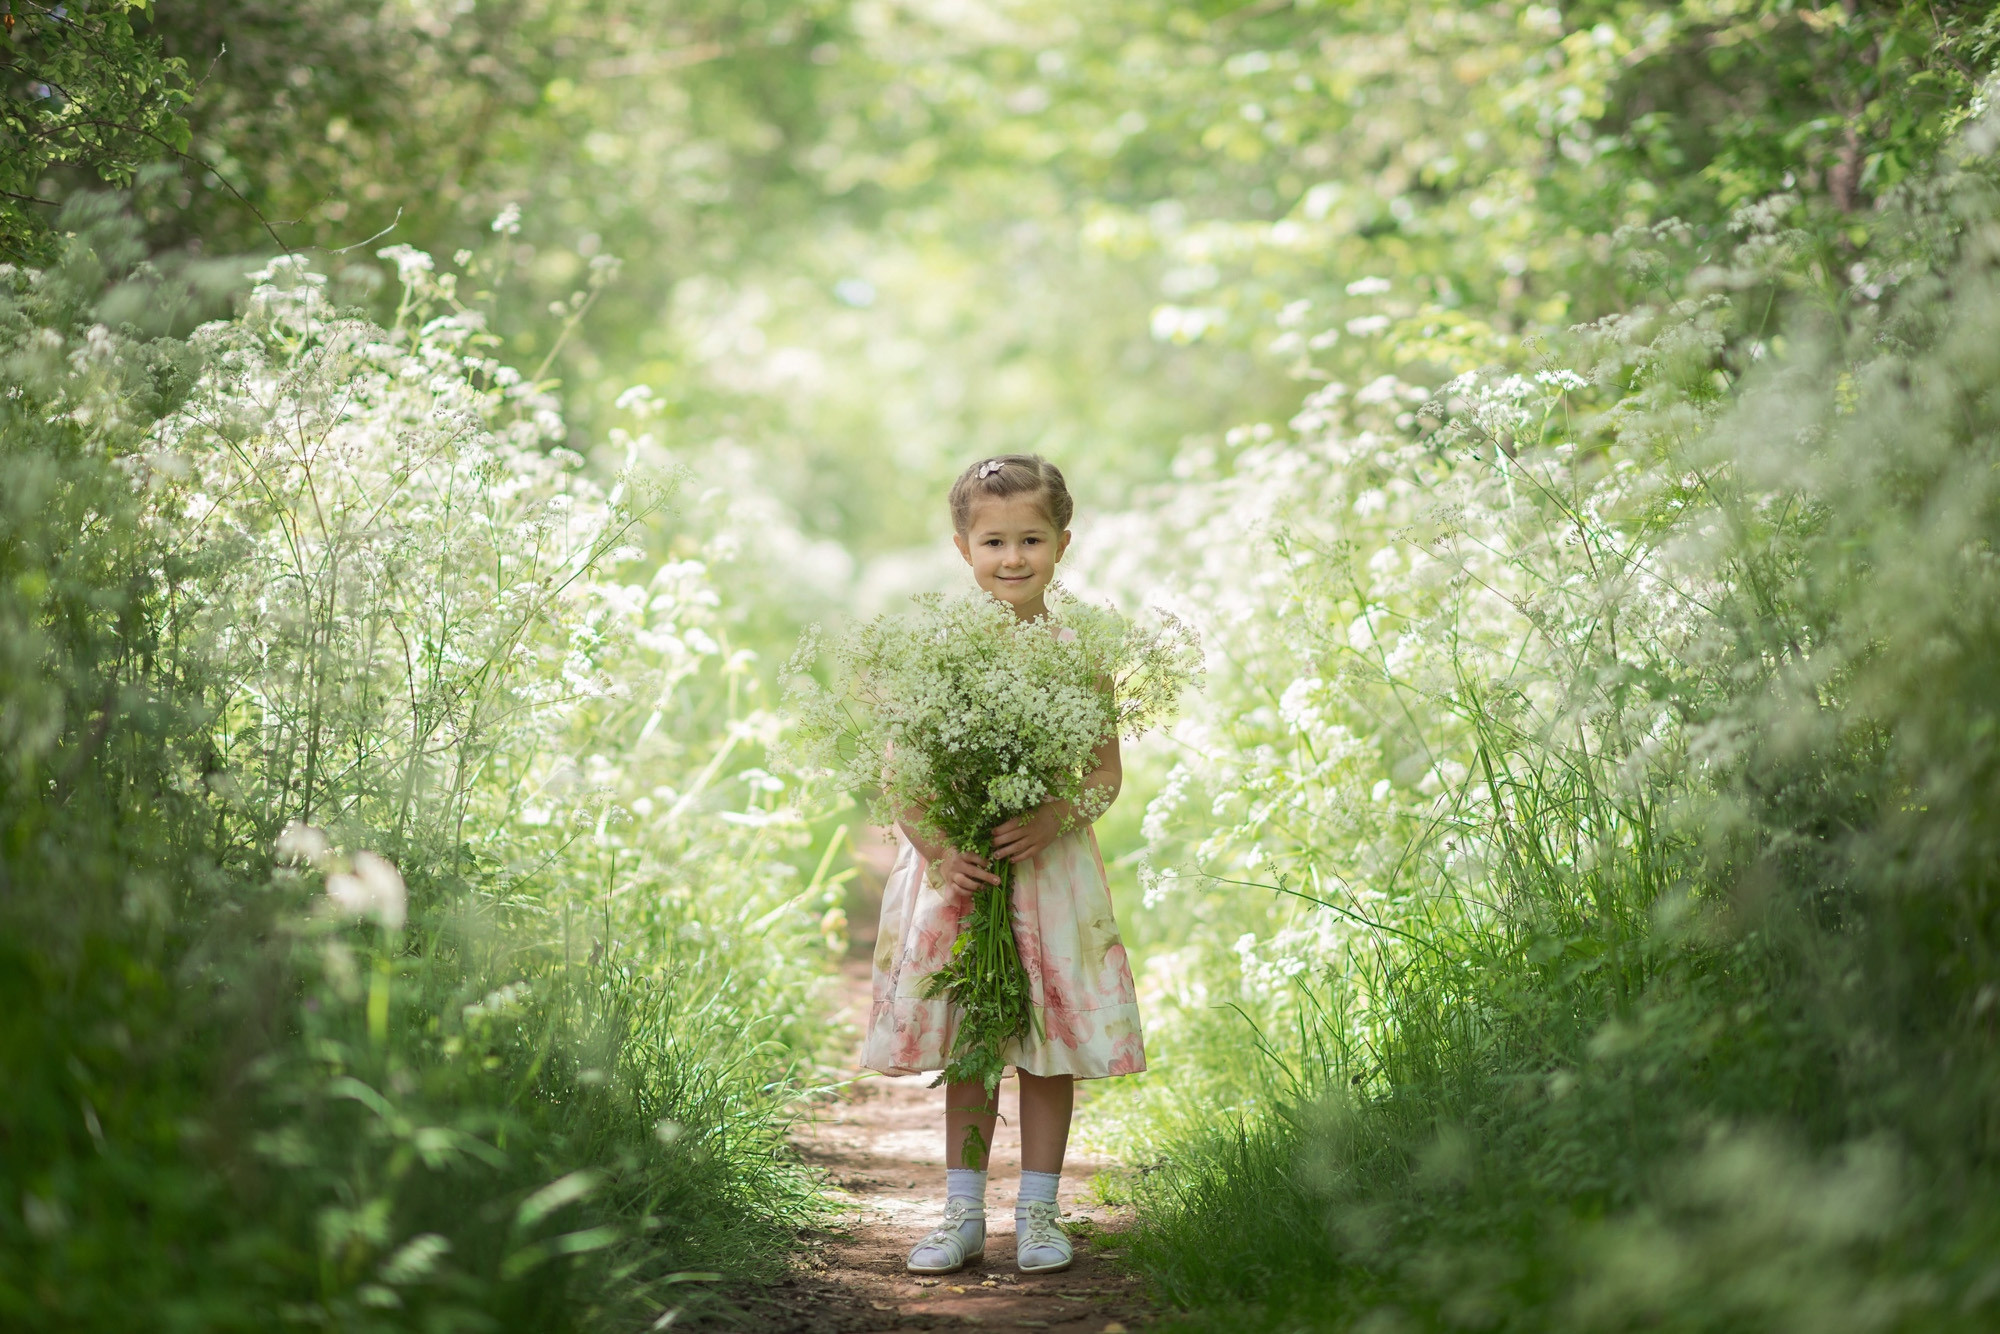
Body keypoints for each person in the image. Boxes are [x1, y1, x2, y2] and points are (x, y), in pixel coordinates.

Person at [863, 454, 1145, 1276]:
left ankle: (1040, 1213)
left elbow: (1104, 775)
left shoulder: (1080, 652)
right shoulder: (935, 650)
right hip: (963, 875)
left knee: (1048, 1041)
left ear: (1063, 543)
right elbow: (899, 779)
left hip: (1047, 870)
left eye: (1031, 539)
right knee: (974, 1040)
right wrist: (939, 853)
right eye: (994, 542)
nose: (1012, 558)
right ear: (962, 548)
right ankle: (961, 1215)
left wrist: (1054, 816)